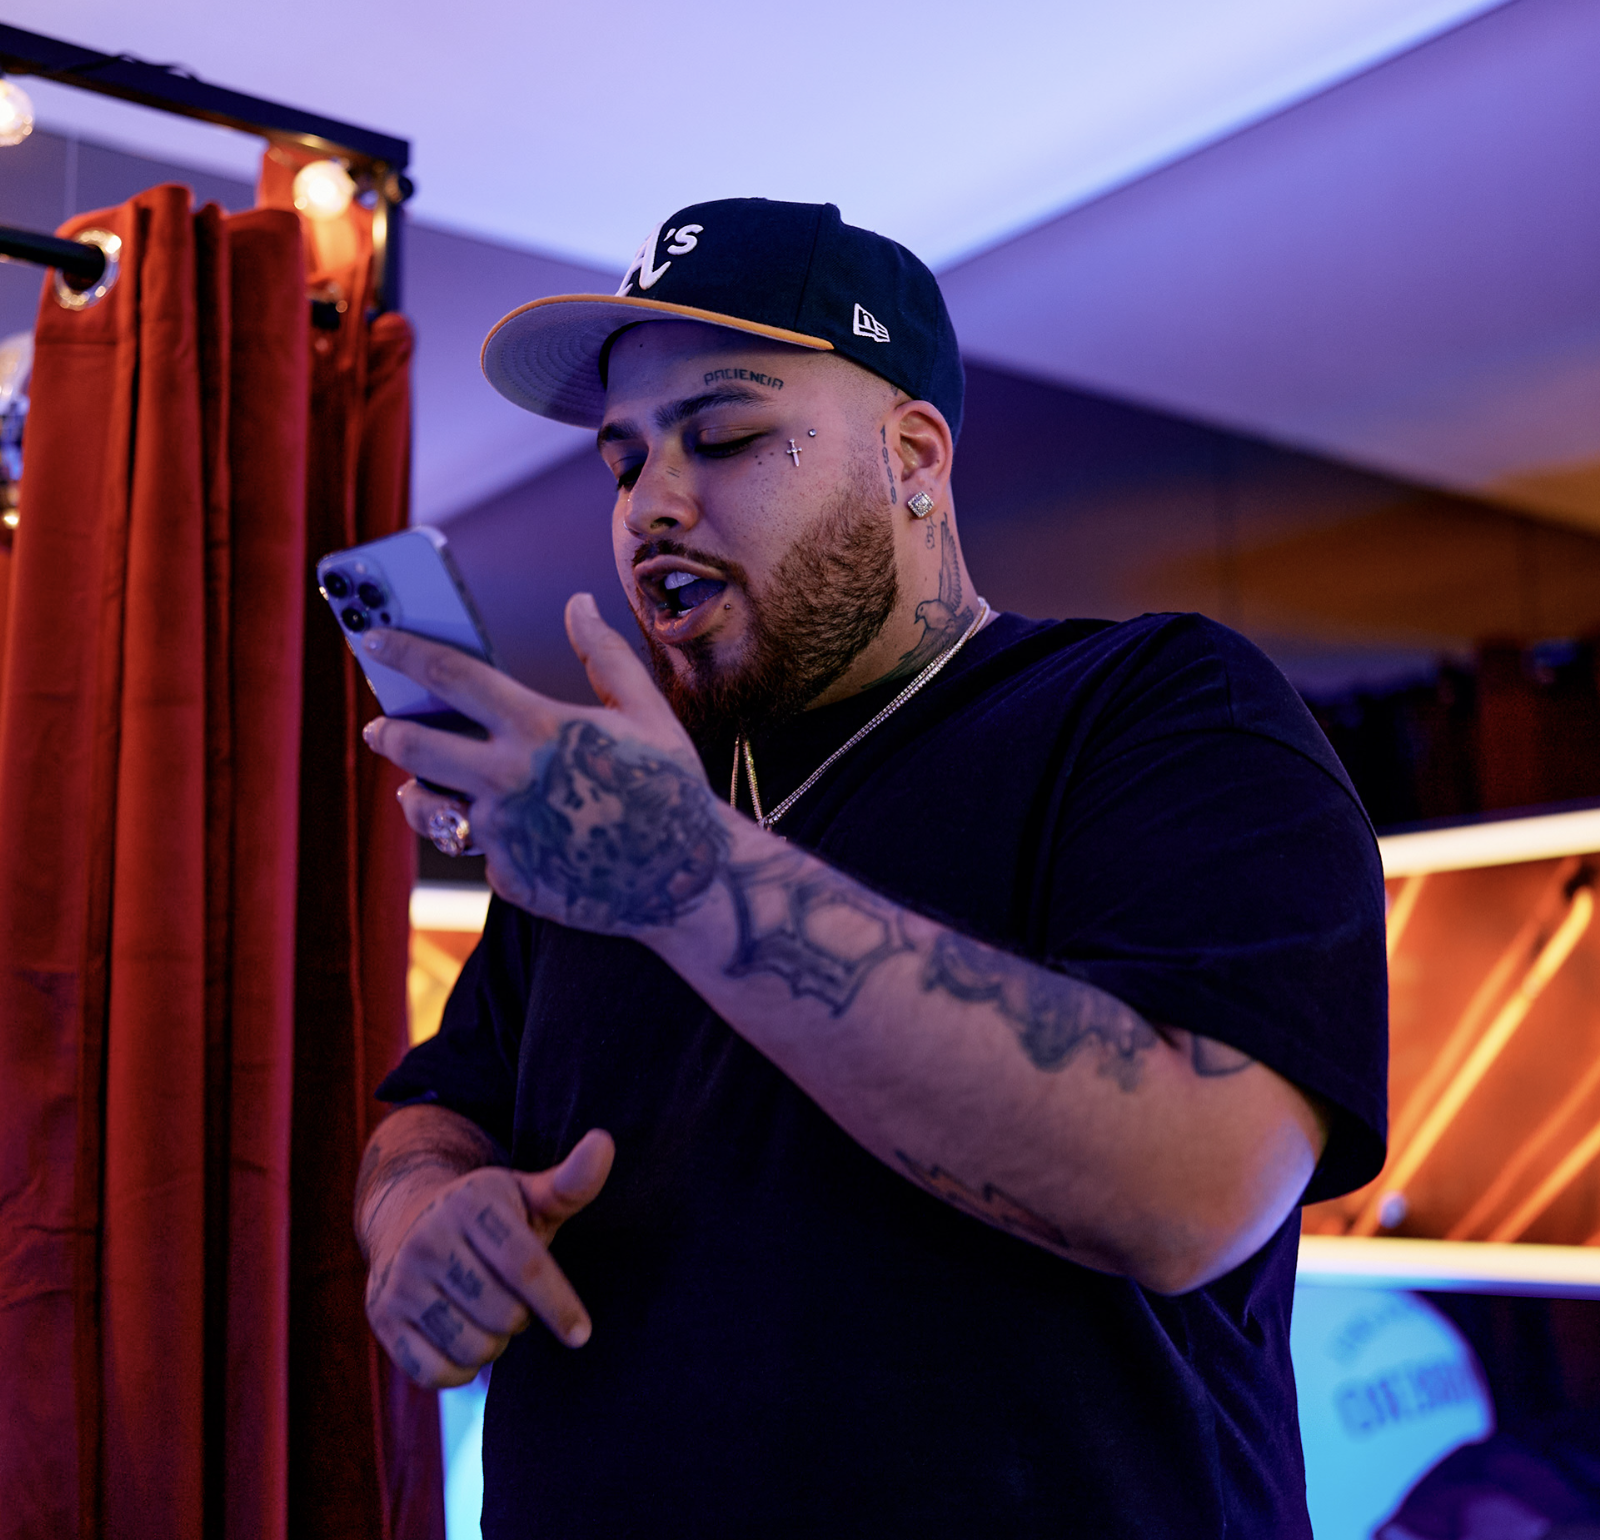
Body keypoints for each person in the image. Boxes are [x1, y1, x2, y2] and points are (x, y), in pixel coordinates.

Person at [352, 197, 1387, 1537]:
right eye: (623, 461)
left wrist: (683, 878)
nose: (652, 504)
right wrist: (426, 1217)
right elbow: (438, 1109)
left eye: (723, 435)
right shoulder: (625, 813)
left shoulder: (1151, 709)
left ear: (911, 455)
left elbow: (1196, 1183)